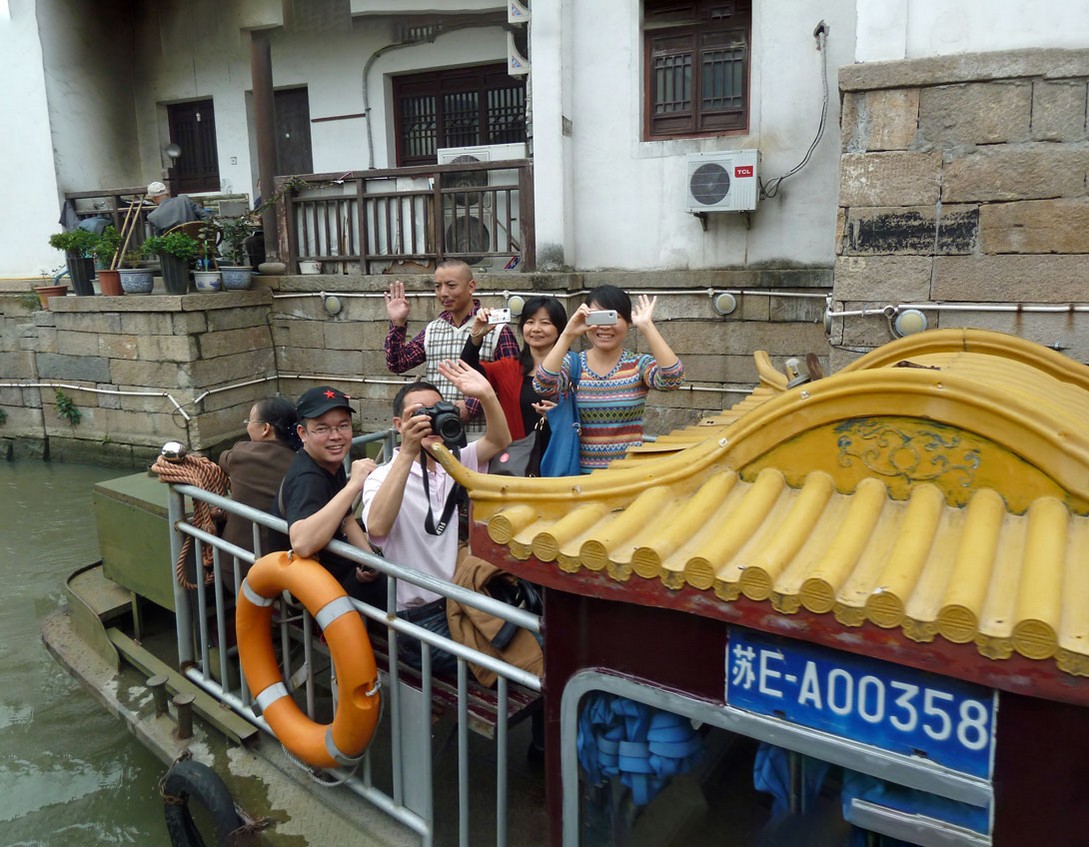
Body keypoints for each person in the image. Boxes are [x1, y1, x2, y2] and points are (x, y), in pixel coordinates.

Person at [361, 361, 511, 672]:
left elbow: (499, 441)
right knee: (498, 667)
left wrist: (486, 395)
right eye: (418, 414)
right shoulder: (383, 476)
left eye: (436, 410)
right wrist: (407, 451)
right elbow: (375, 526)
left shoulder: (452, 461)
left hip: (458, 599)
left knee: (521, 649)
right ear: (398, 425)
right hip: (416, 617)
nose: (429, 420)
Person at [534, 285, 686, 473]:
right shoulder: (573, 364)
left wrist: (647, 326)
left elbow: (674, 379)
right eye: (597, 317)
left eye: (614, 317)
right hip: (578, 478)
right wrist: (567, 334)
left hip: (627, 477)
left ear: (628, 322)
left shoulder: (638, 365)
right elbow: (542, 385)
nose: (605, 327)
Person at [269, 385, 385, 608]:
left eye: (343, 426)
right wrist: (353, 486)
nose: (336, 436)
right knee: (395, 594)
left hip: (333, 567)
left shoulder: (330, 462)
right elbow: (302, 543)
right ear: (303, 434)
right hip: (303, 584)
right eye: (322, 429)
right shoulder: (308, 477)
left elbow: (347, 518)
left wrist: (370, 561)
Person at [384, 259, 519, 436]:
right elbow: (397, 364)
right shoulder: (433, 329)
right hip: (437, 436)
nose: (443, 293)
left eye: (451, 285)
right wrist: (397, 323)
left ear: (471, 286)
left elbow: (514, 383)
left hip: (484, 436)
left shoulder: (496, 329)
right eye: (438, 286)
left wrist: (471, 407)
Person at [460, 296, 566, 443]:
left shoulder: (573, 368)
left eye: (545, 323)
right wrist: (476, 336)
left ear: (560, 329)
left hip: (564, 454)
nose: (536, 329)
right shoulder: (509, 368)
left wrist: (562, 414)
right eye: (530, 322)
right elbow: (468, 371)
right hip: (520, 459)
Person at [217, 397, 301, 571]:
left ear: (265, 429)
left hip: (238, 567)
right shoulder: (302, 462)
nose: (247, 426)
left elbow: (223, 458)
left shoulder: (242, 453)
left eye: (250, 421)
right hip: (291, 569)